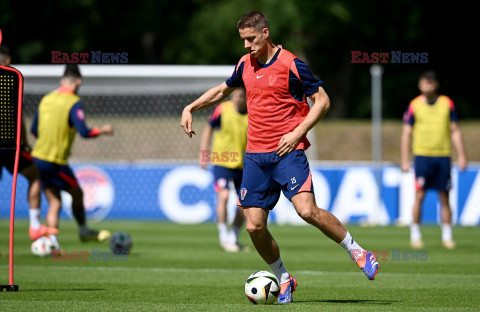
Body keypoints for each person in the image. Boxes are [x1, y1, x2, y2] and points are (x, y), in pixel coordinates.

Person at [181, 11, 379, 303]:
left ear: (265, 33)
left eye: (250, 39)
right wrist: (191, 107)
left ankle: (358, 251)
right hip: (255, 157)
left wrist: (298, 132)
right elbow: (223, 90)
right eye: (243, 40)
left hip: (288, 152)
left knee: (307, 211)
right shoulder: (244, 64)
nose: (246, 45)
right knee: (253, 226)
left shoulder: (291, 63)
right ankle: (284, 278)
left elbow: (322, 101)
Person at [30, 64, 113, 249]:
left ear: (61, 80)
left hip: (37, 159)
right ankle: (83, 230)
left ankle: (52, 244)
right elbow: (84, 132)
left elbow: (34, 130)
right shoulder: (73, 101)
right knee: (77, 193)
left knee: (55, 201)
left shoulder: (46, 99)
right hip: (54, 162)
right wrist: (104, 130)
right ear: (78, 81)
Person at [401, 70, 466, 250]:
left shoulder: (447, 104)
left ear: (435, 84)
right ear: (420, 85)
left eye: (430, 83)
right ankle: (415, 234)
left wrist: (461, 155)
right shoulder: (414, 105)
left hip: (443, 155)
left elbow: (455, 130)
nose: (427, 87)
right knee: (419, 195)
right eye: (424, 83)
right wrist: (405, 160)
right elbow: (406, 133)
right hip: (422, 156)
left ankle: (447, 236)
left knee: (444, 196)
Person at [0, 46, 58, 241]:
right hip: (7, 144)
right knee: (34, 174)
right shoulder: (12, 79)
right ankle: (34, 225)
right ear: (7, 61)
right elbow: (17, 118)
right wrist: (24, 143)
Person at [199, 88, 248, 252]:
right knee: (224, 195)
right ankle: (222, 236)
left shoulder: (253, 112)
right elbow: (208, 128)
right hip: (222, 160)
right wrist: (203, 154)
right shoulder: (222, 109)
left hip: (243, 163)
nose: (238, 99)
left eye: (241, 96)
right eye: (235, 95)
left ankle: (233, 238)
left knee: (244, 203)